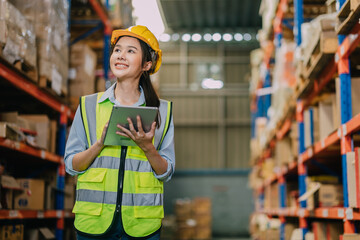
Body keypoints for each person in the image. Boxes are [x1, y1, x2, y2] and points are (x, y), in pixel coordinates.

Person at [64, 25, 175, 240]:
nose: (120, 56)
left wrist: (148, 148)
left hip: (141, 226)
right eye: (117, 50)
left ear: (147, 64)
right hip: (94, 224)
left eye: (131, 51)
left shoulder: (162, 111)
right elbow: (71, 165)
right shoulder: (88, 106)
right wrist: (99, 144)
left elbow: (166, 172)